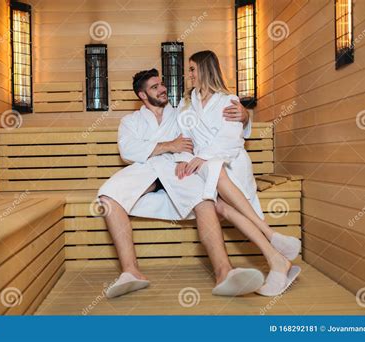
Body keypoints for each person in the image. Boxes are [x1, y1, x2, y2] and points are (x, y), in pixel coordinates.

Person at [98, 69, 264, 298]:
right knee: (108, 196)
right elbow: (128, 150)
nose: (162, 88)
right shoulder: (130, 121)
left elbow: (212, 125)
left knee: (204, 199)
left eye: (162, 84)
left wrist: (244, 117)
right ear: (142, 95)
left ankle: (224, 272)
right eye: (155, 87)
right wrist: (169, 145)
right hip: (145, 169)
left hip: (178, 167)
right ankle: (131, 272)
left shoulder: (182, 113)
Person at [174, 50, 301, 296]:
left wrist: (204, 157)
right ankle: (274, 249)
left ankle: (276, 257)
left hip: (230, 161)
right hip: (206, 166)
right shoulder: (187, 103)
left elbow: (231, 137)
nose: (188, 74)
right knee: (221, 207)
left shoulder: (227, 99)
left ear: (205, 69)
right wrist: (184, 158)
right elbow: (185, 139)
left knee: (217, 177)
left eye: (192, 69)